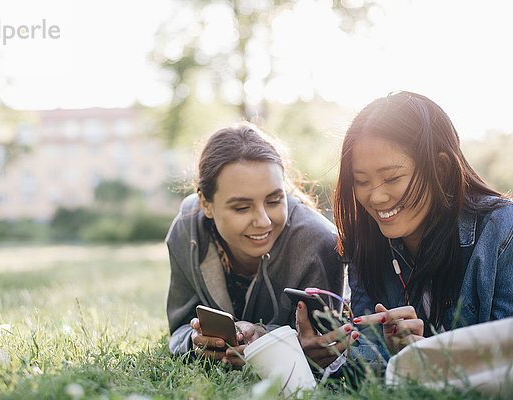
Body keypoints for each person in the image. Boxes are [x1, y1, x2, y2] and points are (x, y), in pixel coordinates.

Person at [297, 91, 513, 370]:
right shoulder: (365, 241)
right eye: (361, 181)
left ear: (441, 168)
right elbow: (367, 357)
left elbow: (503, 365)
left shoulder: (502, 233)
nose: (376, 198)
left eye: (392, 178)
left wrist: (429, 357)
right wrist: (332, 355)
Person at [165, 123, 349, 367]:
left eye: (274, 200)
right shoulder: (187, 232)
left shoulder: (320, 244)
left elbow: (328, 346)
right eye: (242, 207)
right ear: (206, 204)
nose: (263, 221)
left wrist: (268, 338)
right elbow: (179, 328)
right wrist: (195, 341)